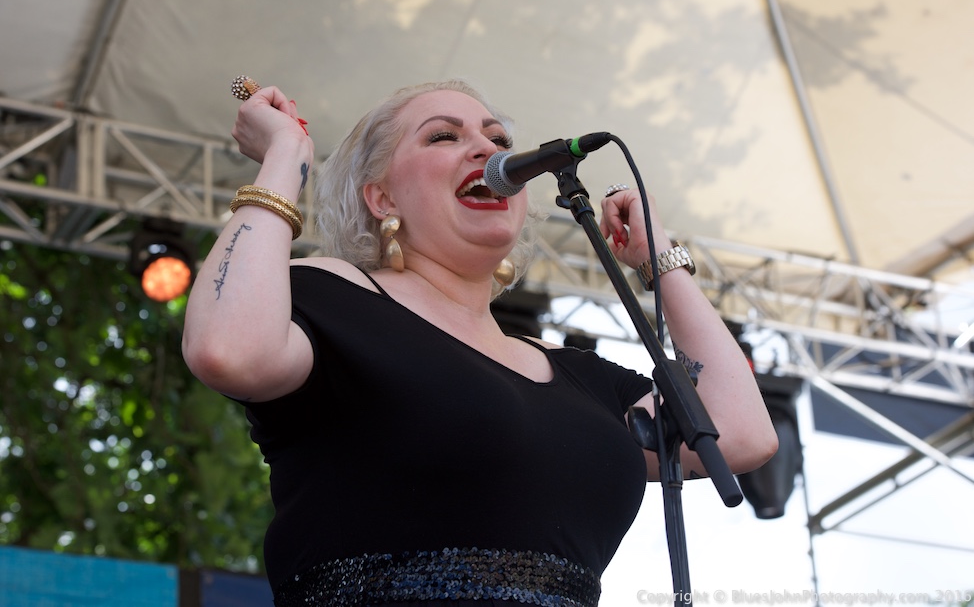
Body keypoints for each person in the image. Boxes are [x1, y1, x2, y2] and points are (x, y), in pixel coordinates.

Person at [182, 78, 777, 606]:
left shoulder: (582, 380)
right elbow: (229, 350)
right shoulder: (335, 295)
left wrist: (661, 261)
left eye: (497, 139)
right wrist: (286, 155)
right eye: (442, 136)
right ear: (382, 198)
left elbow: (741, 433)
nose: (488, 150)